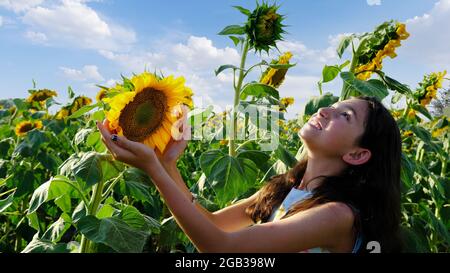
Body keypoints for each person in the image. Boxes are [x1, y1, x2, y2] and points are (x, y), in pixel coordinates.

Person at [96, 95, 403, 253]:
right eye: (332, 105)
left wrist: (153, 170)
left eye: (344, 116)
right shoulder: (287, 188)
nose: (324, 110)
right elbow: (215, 224)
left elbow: (220, 247)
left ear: (358, 154)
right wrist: (168, 164)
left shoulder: (336, 215)